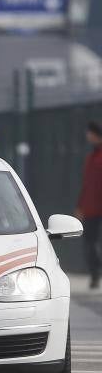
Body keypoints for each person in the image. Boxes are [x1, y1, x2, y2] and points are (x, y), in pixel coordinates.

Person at [76, 121, 102, 289]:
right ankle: (95, 275)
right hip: (91, 208)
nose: (87, 136)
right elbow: (86, 185)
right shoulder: (91, 157)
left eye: (89, 133)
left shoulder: (97, 158)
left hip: (96, 207)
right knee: (90, 242)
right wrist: (80, 206)